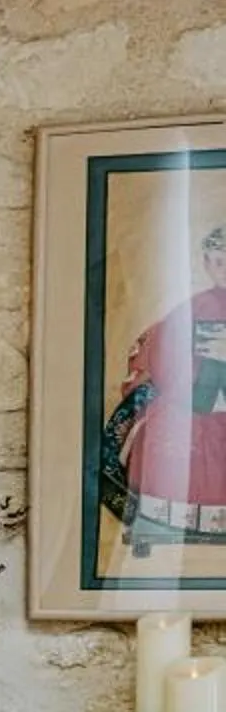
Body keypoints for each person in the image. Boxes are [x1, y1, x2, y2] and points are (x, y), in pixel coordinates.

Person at [102, 220, 226, 553]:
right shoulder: (193, 307)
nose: (224, 269)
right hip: (194, 394)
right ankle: (158, 526)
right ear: (206, 263)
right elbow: (160, 350)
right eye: (218, 261)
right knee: (162, 428)